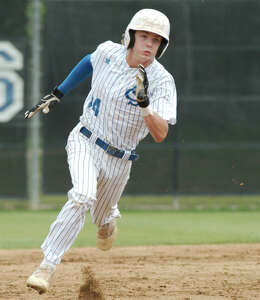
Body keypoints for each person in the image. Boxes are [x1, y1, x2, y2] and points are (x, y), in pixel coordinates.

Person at [24, 8, 177, 294]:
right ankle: (46, 266)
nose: (149, 44)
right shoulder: (109, 52)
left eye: (156, 40)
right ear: (131, 36)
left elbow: (160, 133)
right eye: (144, 36)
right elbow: (88, 62)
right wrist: (59, 92)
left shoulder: (163, 81)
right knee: (82, 195)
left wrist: (145, 106)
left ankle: (107, 221)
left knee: (101, 218)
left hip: (121, 159)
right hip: (85, 139)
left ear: (162, 46)